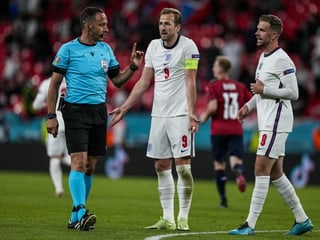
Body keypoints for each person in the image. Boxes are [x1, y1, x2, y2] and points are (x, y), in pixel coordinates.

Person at [46, 6, 143, 231]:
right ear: (88, 25)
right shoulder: (68, 50)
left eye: (106, 24)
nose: (106, 28)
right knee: (78, 162)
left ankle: (75, 216)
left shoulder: (106, 50)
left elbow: (117, 81)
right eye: (102, 24)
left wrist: (132, 69)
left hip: (99, 111)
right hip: (75, 111)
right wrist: (51, 116)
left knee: (89, 166)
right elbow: (54, 84)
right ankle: (80, 211)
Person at [109, 8, 200, 231]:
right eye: (161, 23)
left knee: (184, 169)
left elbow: (190, 80)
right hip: (158, 115)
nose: (163, 27)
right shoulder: (153, 47)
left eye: (168, 24)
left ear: (178, 27)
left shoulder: (189, 47)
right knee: (161, 165)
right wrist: (125, 107)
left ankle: (183, 217)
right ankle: (167, 217)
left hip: (180, 114)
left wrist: (191, 112)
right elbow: (143, 81)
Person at [228, 14, 313, 236]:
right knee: (276, 173)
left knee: (260, 167)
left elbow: (293, 92)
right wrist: (248, 106)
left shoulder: (282, 59)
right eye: (257, 29)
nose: (257, 33)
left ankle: (249, 224)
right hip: (267, 120)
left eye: (262, 30)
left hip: (277, 120)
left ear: (274, 35)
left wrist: (265, 90)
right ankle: (302, 220)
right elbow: (259, 90)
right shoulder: (264, 58)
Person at [199, 55, 251, 208]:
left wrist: (203, 118)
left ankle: (223, 200)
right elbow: (251, 103)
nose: (213, 68)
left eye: (215, 65)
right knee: (235, 158)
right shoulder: (240, 86)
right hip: (235, 128)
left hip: (219, 129)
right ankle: (239, 173)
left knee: (219, 164)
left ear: (220, 69)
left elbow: (213, 107)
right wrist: (243, 115)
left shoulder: (213, 86)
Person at [32, 77, 70, 198]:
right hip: (73, 122)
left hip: (56, 122)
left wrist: (46, 104)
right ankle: (81, 168)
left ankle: (59, 189)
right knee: (72, 155)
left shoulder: (47, 82)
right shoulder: (74, 79)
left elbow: (36, 105)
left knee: (55, 157)